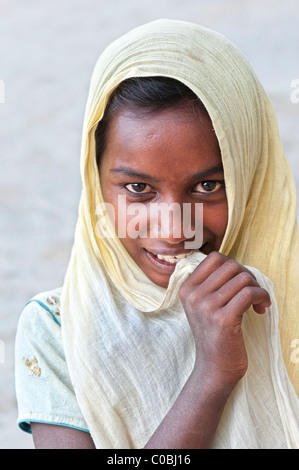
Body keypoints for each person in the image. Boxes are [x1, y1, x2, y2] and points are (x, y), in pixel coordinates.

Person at [15, 19, 299, 449]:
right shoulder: (60, 330)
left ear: (251, 175)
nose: (173, 227)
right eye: (137, 188)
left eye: (208, 186)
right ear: (96, 181)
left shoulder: (286, 309)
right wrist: (211, 377)